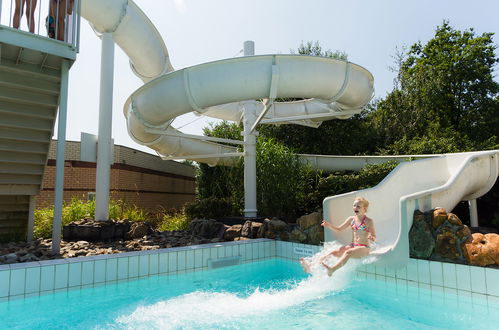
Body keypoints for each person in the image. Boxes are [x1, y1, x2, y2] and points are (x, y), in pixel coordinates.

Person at [300, 197, 376, 276]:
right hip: (353, 246)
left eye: (358, 206)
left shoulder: (368, 221)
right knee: (334, 252)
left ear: (364, 208)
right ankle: (311, 266)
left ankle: (332, 269)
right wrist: (328, 225)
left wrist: (371, 237)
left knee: (348, 252)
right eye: (354, 206)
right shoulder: (351, 219)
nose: (355, 208)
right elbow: (339, 229)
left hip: (364, 248)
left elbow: (374, 236)